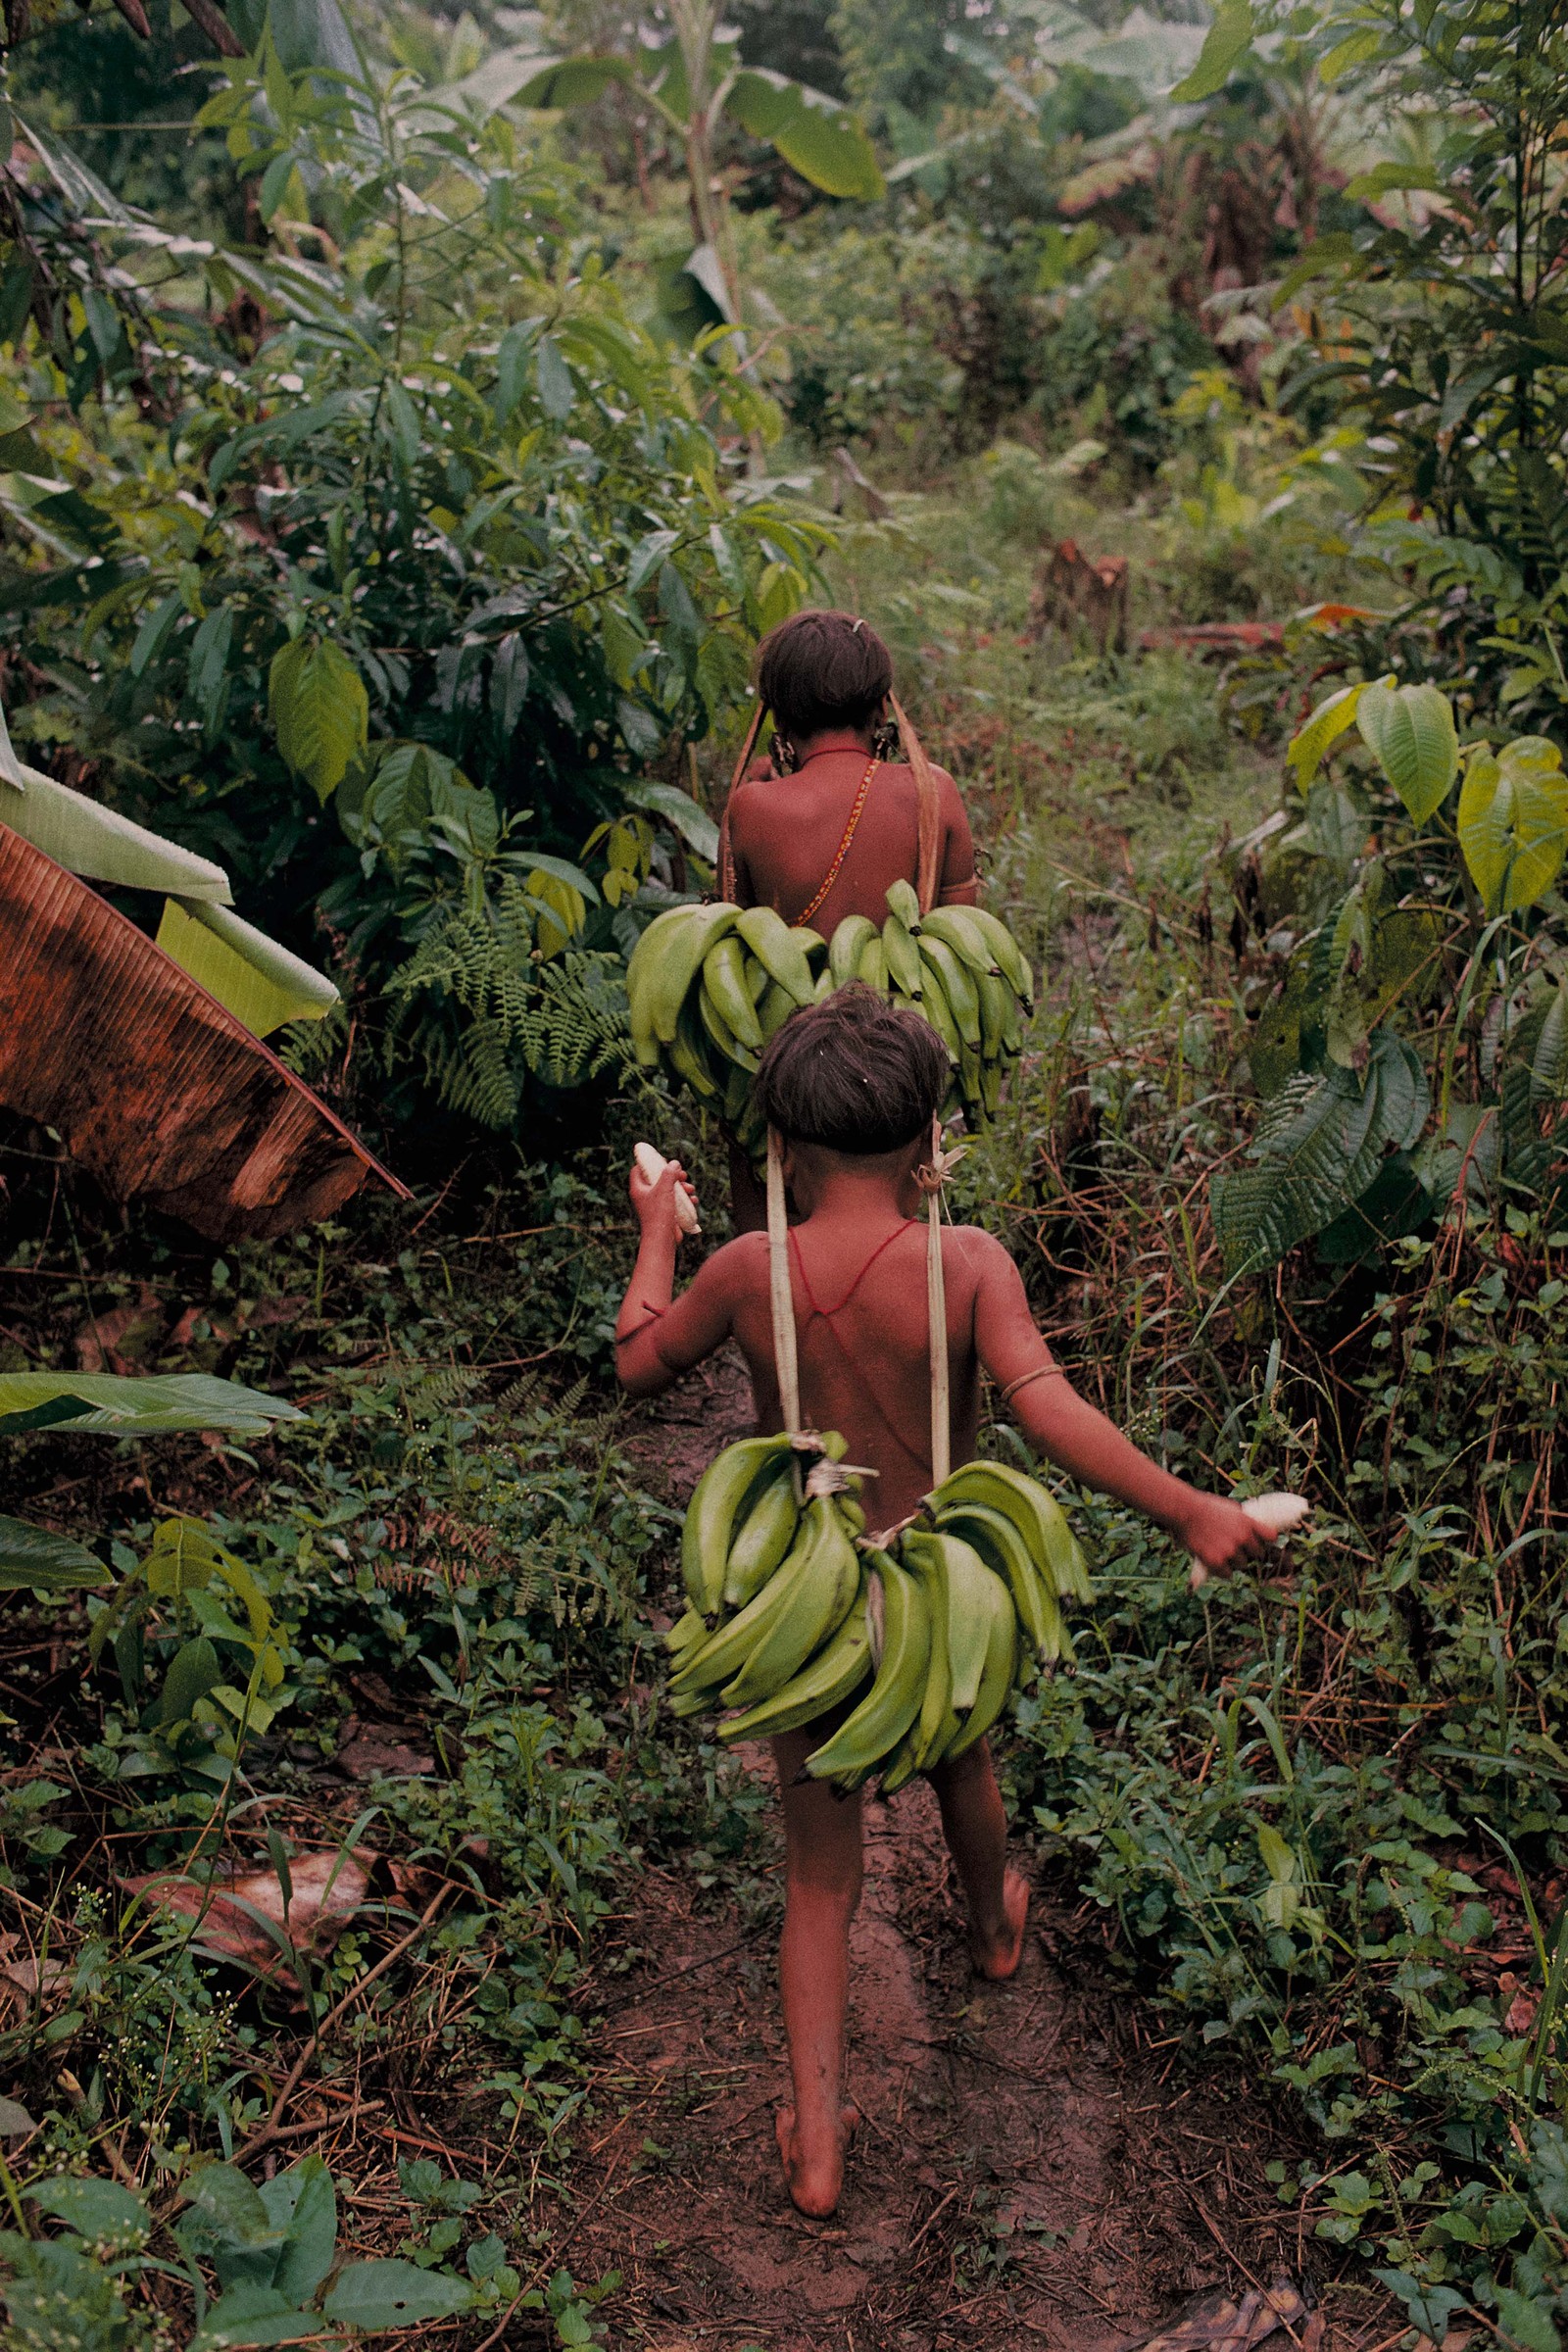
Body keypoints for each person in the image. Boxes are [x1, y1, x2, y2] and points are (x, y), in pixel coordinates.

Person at [615, 988, 1270, 2222]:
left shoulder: (745, 1271)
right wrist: (1188, 1507)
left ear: (780, 1149)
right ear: (930, 1142)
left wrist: (659, 1229)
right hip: (934, 1593)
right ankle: (992, 1928)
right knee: (962, 1758)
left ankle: (816, 2141)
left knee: (820, 1877)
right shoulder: (967, 1264)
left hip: (804, 1608)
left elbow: (637, 1363)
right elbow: (1048, 1408)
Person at [719, 608, 978, 935]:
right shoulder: (934, 791)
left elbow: (729, 933)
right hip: (909, 988)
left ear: (779, 719)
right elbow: (964, 936)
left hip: (793, 988)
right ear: (883, 709)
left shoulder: (750, 806)